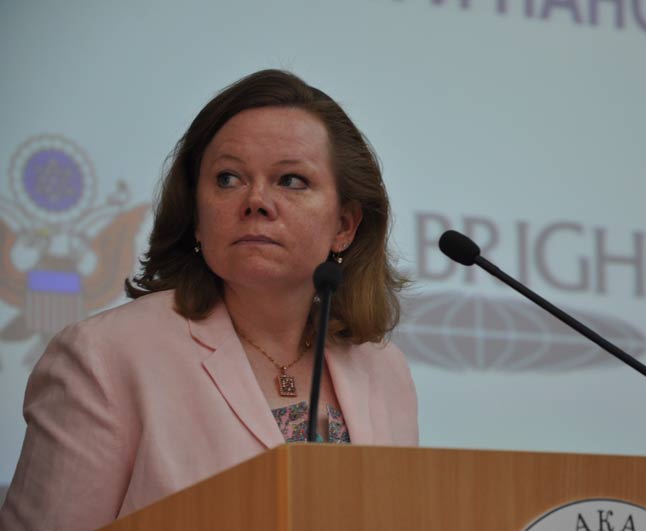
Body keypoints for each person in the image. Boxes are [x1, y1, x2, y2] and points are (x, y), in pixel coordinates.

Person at [0, 70, 418, 530]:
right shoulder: (104, 357)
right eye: (228, 178)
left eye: (291, 180)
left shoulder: (382, 368)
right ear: (197, 217)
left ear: (344, 225)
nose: (256, 201)